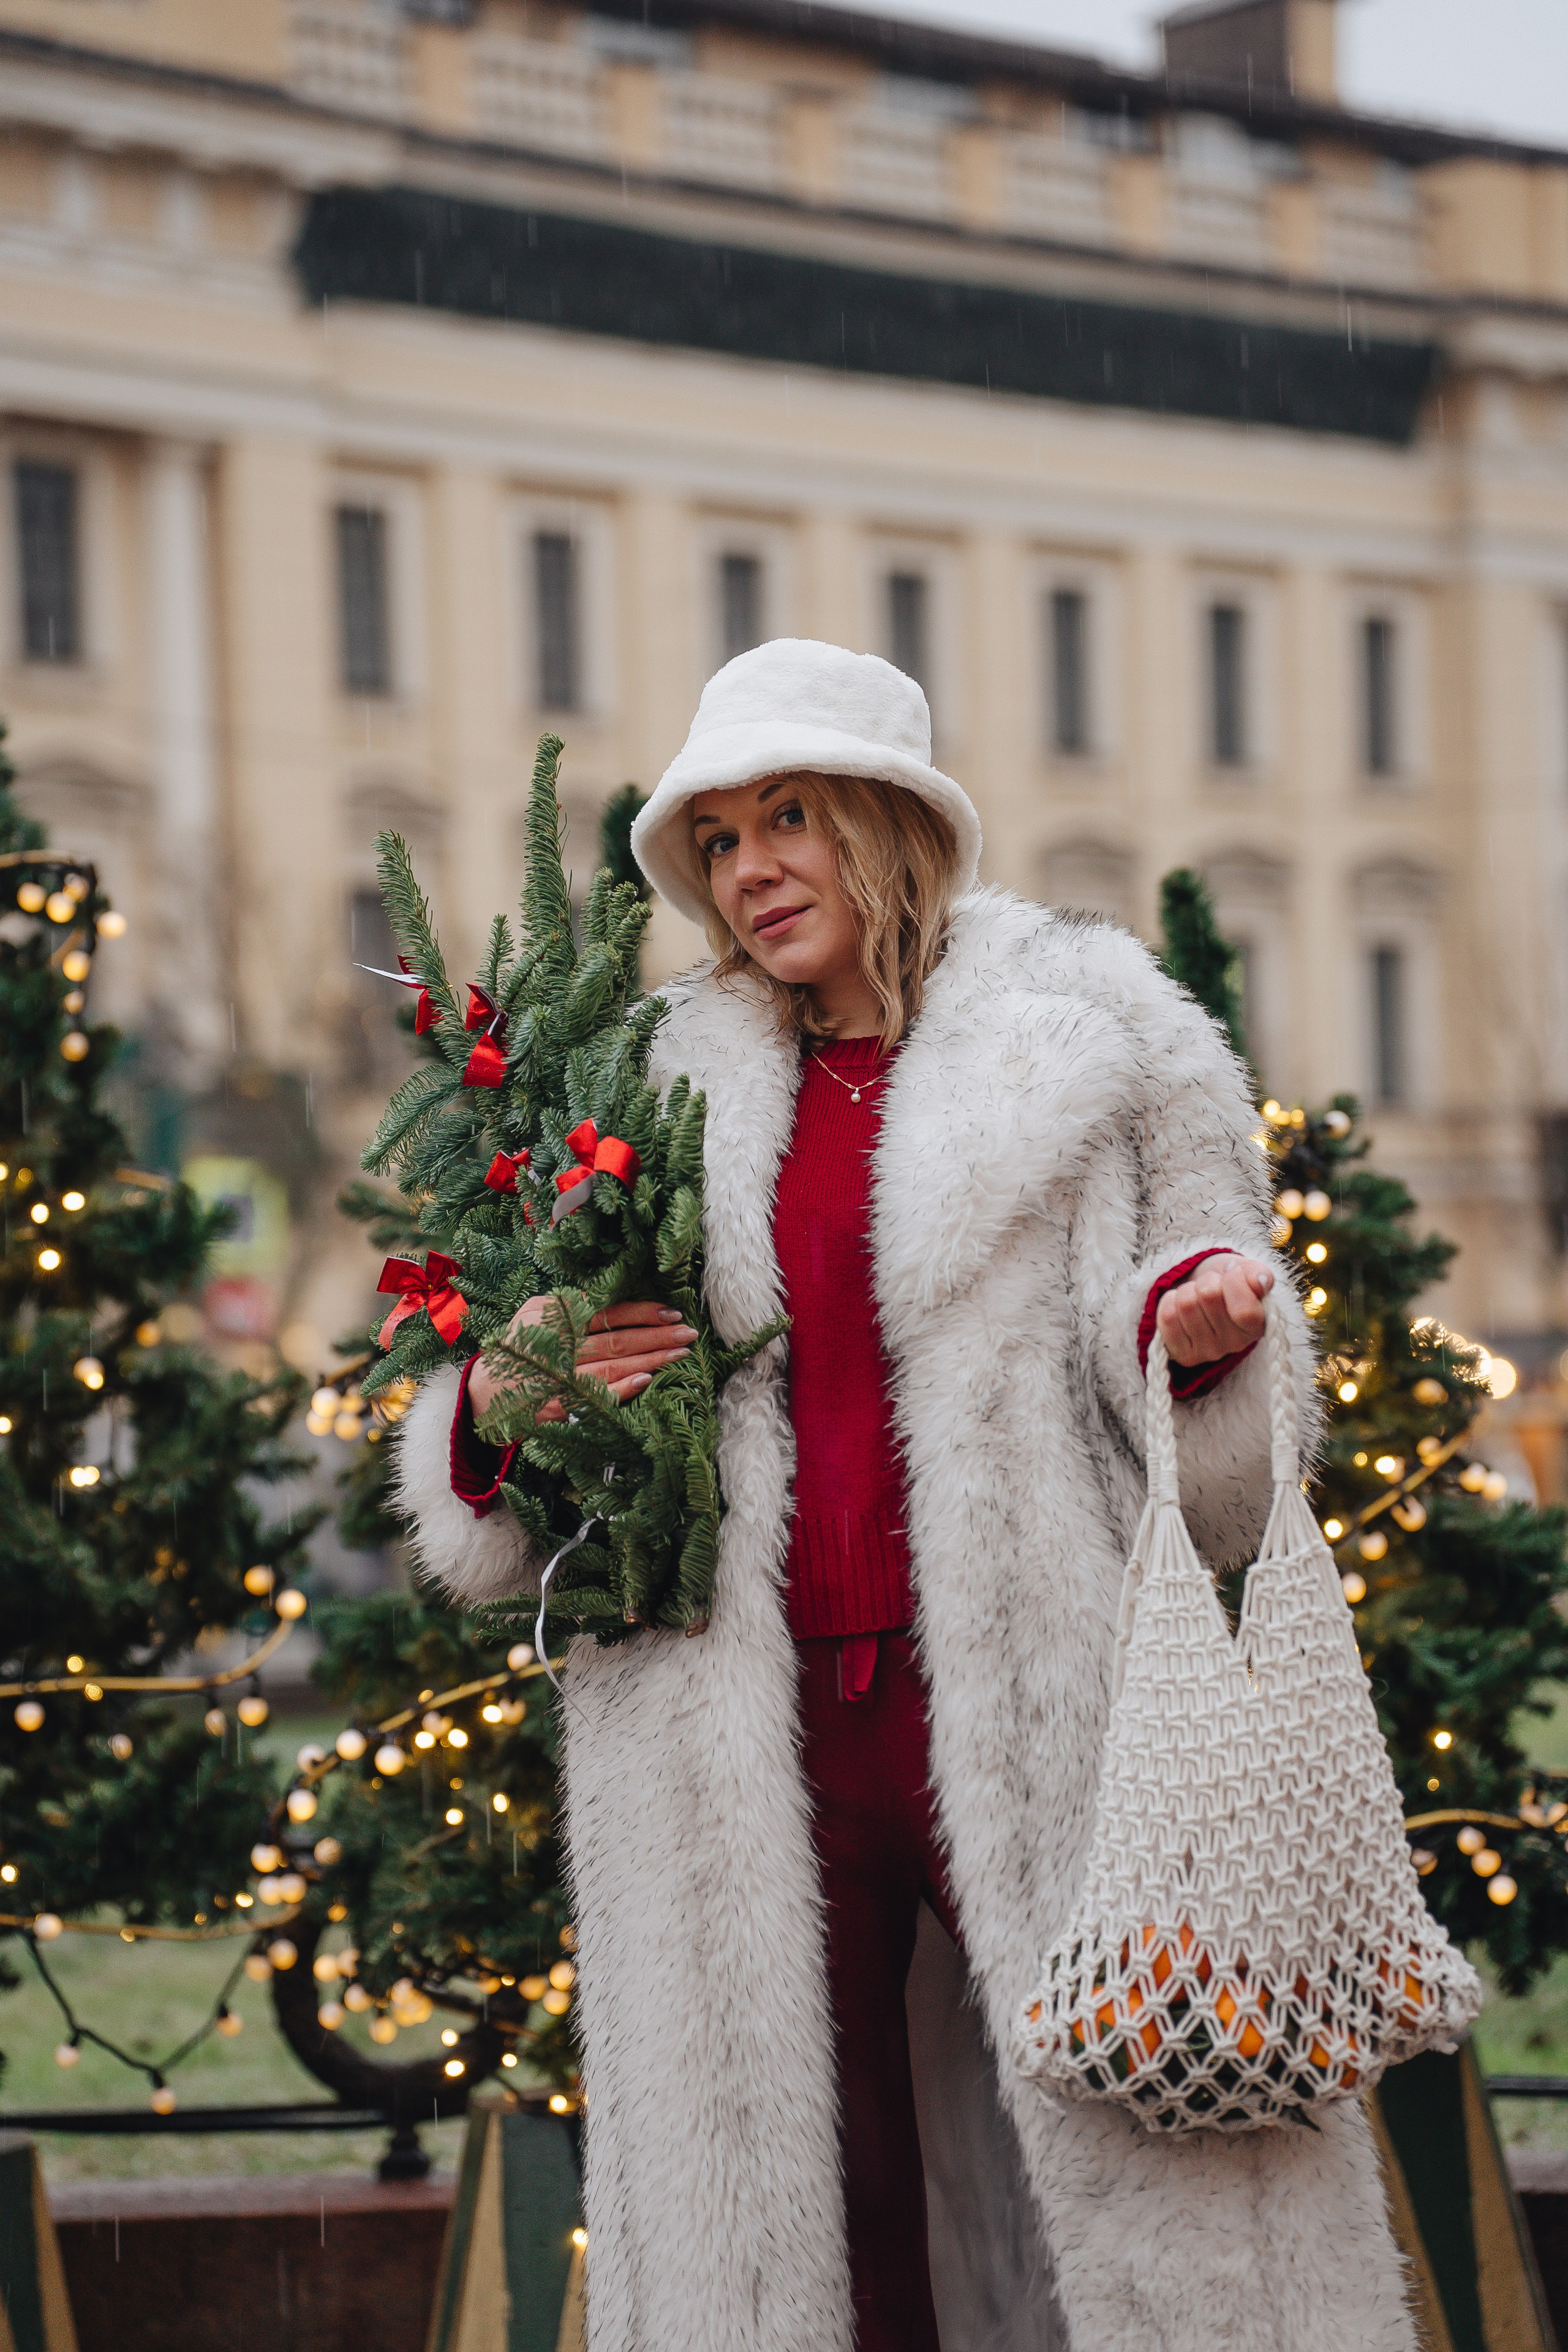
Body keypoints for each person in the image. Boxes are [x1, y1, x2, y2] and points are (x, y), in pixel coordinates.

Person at [395, 639, 1415, 2352]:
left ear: (886, 823)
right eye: (718, 840)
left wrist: (1206, 1335)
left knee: (1150, 2160)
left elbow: (1230, 1439)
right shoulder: (642, 1095)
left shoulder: (1105, 1044)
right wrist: (497, 1405)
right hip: (734, 1734)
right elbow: (514, 1514)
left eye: (789, 817)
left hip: (1045, 1700)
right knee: (812, 2228)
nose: (752, 869)